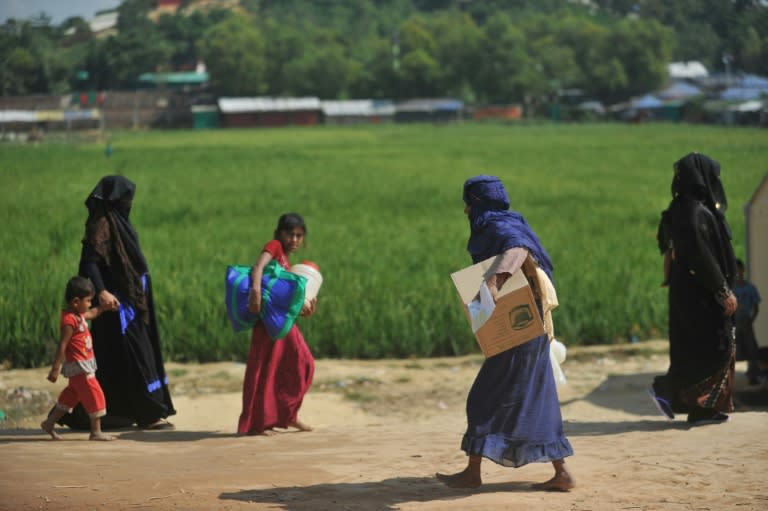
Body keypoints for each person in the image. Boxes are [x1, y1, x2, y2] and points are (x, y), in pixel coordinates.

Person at [436, 175, 575, 491]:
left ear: (479, 203)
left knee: (484, 397)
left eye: (468, 203)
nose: (465, 211)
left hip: (520, 331)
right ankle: (562, 472)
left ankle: (473, 473)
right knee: (538, 399)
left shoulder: (499, 228)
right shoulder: (511, 221)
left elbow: (518, 248)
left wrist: (494, 282)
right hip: (529, 324)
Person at [56, 175, 176, 431]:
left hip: (132, 298)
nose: (128, 203)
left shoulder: (118, 222)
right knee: (137, 351)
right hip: (117, 302)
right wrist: (102, 291)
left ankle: (119, 412)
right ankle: (148, 413)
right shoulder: (101, 225)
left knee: (122, 354)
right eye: (125, 198)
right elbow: (90, 261)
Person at [650, 153, 738, 426]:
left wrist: (668, 278)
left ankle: (697, 406)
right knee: (711, 346)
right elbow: (701, 256)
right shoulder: (694, 212)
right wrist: (722, 291)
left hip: (686, 291)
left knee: (692, 349)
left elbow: (669, 250)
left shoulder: (679, 209)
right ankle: (693, 404)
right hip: (701, 294)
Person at [238, 213, 318, 436]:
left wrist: (306, 308)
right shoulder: (274, 247)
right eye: (290, 234)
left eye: (299, 236)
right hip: (267, 323)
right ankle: (255, 423)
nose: (294, 239)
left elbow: (283, 297)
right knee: (264, 371)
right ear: (280, 234)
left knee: (303, 364)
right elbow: (257, 268)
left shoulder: (287, 261)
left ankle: (287, 415)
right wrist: (255, 293)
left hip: (281, 323)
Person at [42, 276, 116, 441]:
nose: (90, 304)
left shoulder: (78, 315)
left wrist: (103, 308)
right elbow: (63, 345)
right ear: (76, 301)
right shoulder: (69, 321)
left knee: (70, 397)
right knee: (94, 394)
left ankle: (49, 423)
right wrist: (55, 369)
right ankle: (95, 432)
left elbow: (92, 313)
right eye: (88, 301)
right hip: (80, 367)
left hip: (83, 366)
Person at [733, 259, 762, 385]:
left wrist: (752, 319)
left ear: (743, 270)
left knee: (752, 349)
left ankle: (753, 375)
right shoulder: (730, 289)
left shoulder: (750, 288)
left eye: (739, 269)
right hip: (733, 322)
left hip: (746, 321)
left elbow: (756, 307)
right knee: (731, 350)